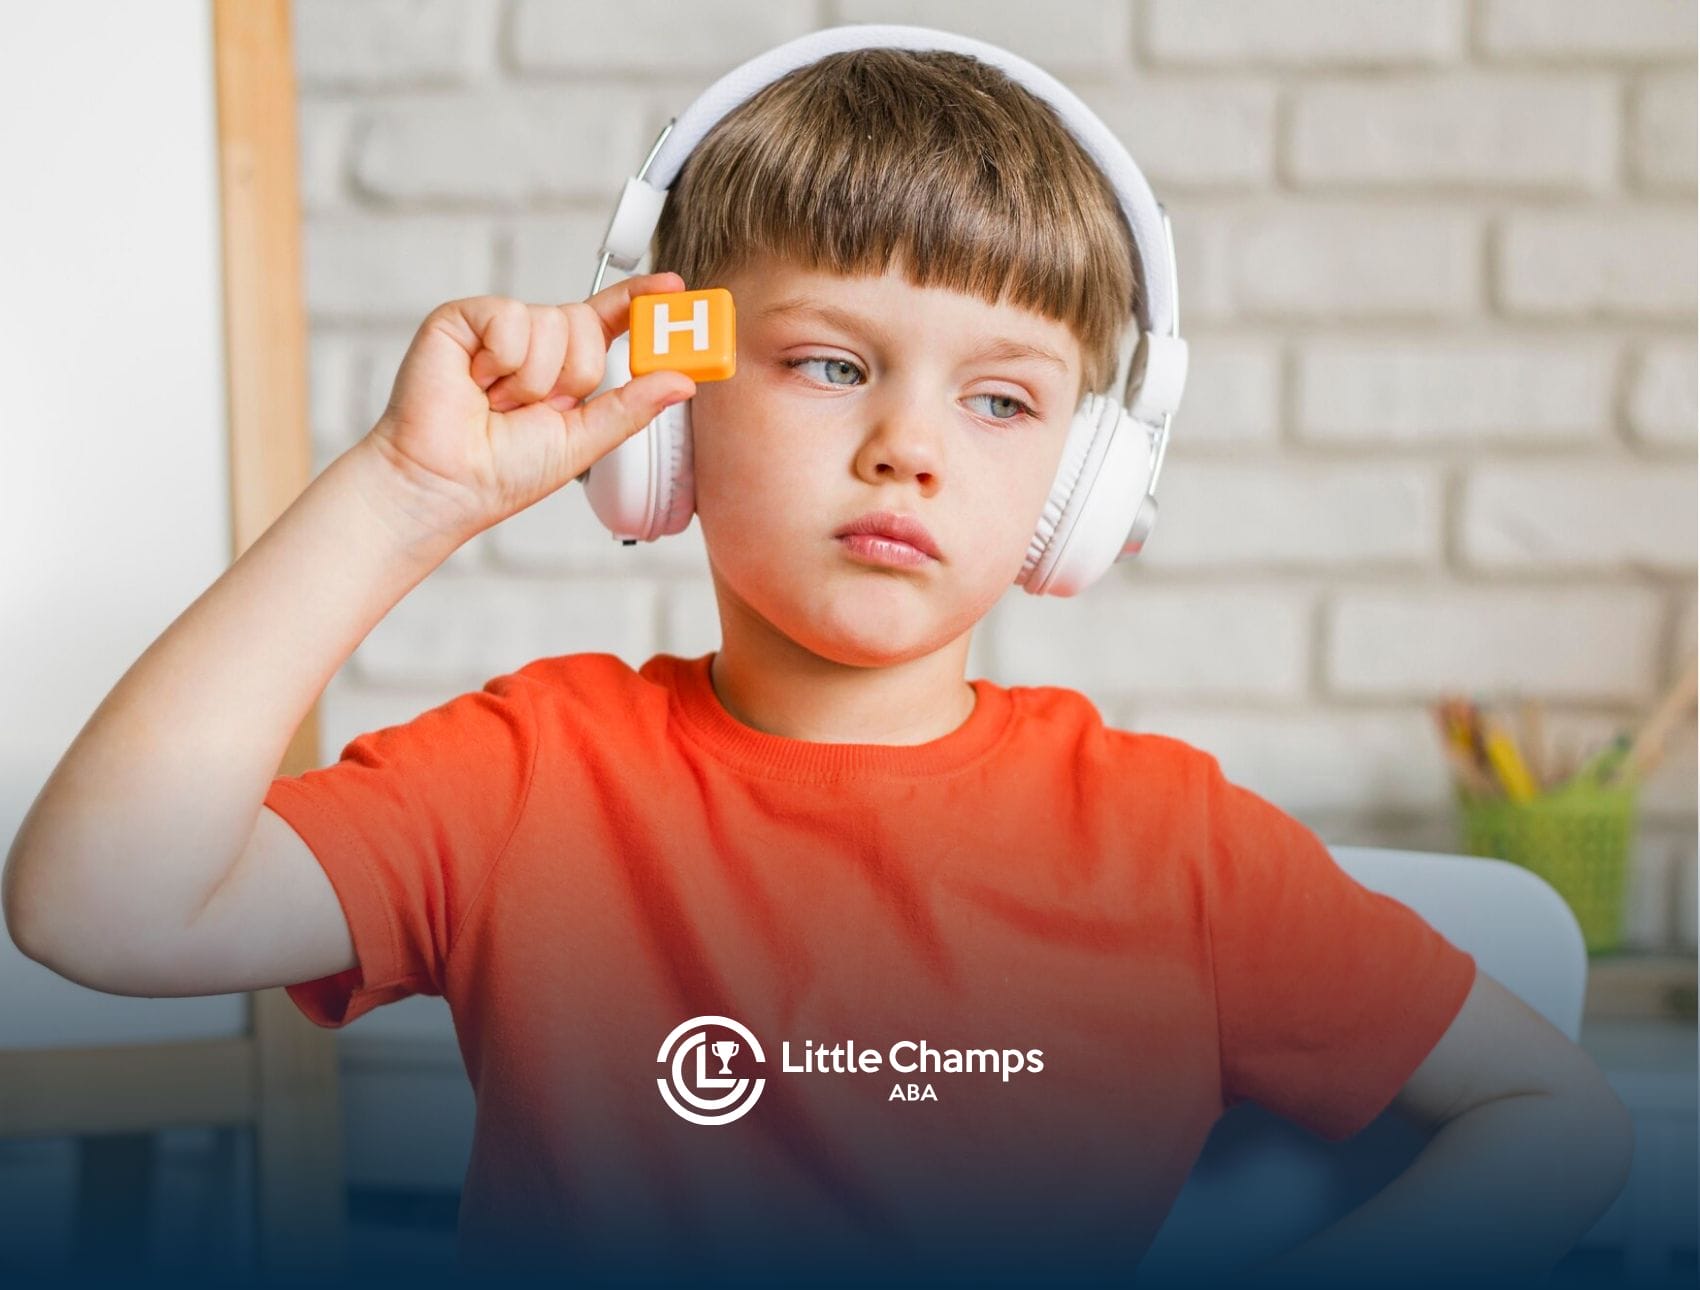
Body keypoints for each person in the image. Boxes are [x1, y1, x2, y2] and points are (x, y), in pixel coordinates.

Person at [3, 25, 1633, 1290]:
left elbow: (1558, 1118)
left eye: (1002, 399)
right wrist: (406, 495)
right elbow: (96, 905)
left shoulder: (1174, 846)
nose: (909, 446)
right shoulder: (523, 777)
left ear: (1082, 489)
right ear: (670, 406)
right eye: (828, 361)